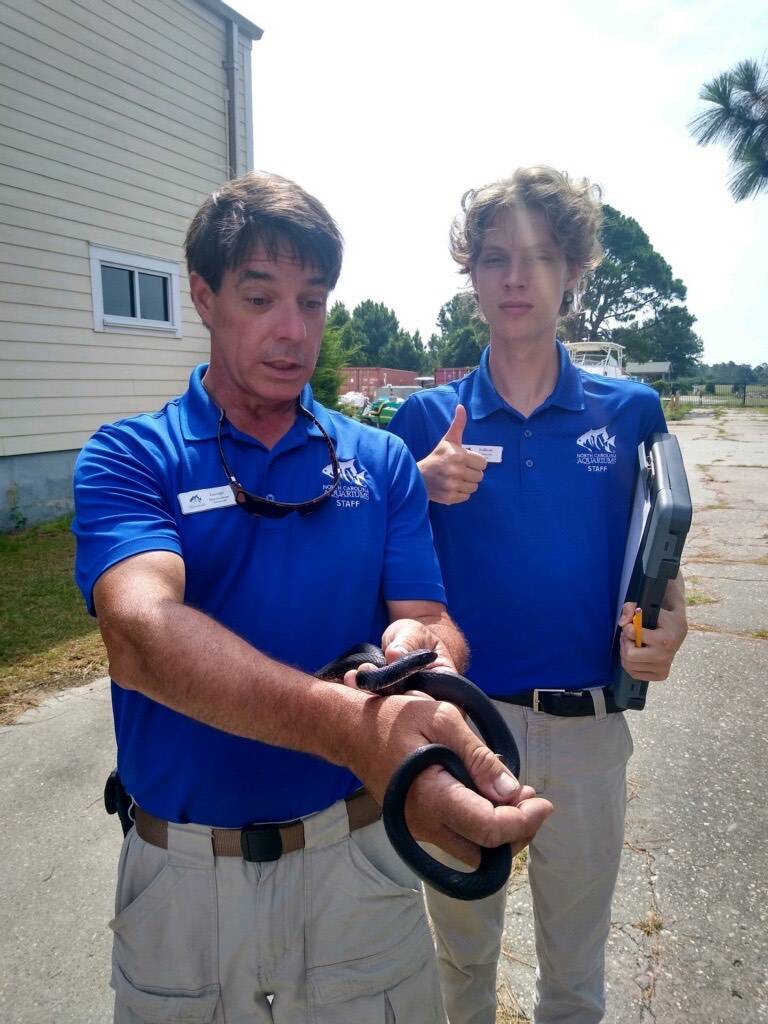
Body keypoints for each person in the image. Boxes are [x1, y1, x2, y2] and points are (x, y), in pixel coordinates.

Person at [72, 171, 552, 1024]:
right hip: (183, 885)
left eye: (314, 300)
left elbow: (429, 615)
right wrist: (355, 727)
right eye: (261, 297)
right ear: (204, 296)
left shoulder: (380, 461)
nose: (294, 331)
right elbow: (138, 637)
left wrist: (420, 655)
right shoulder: (130, 457)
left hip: (357, 864)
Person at [388, 166, 688, 1024]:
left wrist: (673, 627)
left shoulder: (630, 411)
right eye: (494, 258)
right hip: (461, 724)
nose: (516, 277)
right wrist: (414, 480)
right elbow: (364, 552)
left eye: (541, 257)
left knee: (575, 975)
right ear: (471, 276)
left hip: (588, 731)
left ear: (574, 276)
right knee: (462, 962)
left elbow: (658, 571)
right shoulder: (423, 422)